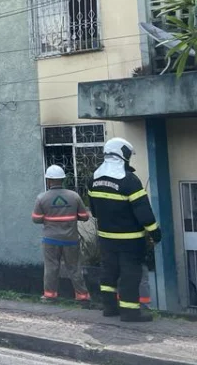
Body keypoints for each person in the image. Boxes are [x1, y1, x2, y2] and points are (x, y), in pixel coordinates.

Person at [88, 138, 162, 322]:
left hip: (106, 239)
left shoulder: (93, 179)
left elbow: (95, 212)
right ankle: (130, 312)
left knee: (109, 272)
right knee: (130, 274)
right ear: (122, 155)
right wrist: (154, 232)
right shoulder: (129, 181)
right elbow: (143, 211)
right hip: (130, 240)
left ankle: (109, 308)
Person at [33, 165, 91, 303]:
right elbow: (84, 216)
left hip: (51, 240)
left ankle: (49, 296)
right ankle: (82, 296)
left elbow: (35, 218)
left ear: (48, 180)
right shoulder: (74, 196)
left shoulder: (42, 198)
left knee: (51, 268)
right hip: (71, 239)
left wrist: (49, 218)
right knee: (74, 267)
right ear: (63, 180)